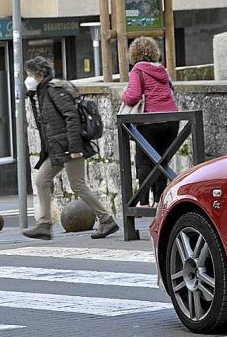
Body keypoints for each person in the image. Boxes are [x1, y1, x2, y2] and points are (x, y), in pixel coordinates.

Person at [22, 56, 119, 240]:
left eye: (30, 74)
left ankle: (106, 220)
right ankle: (44, 224)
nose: (28, 79)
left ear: (40, 75)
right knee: (42, 180)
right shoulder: (41, 92)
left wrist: (75, 147)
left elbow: (72, 117)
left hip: (69, 147)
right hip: (57, 148)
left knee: (78, 185)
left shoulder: (54, 90)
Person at [121, 36, 179, 207]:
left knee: (144, 161)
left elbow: (132, 97)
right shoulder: (162, 70)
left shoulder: (137, 70)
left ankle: (143, 202)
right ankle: (159, 201)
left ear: (134, 54)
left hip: (149, 121)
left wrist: (121, 95)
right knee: (162, 161)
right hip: (171, 121)